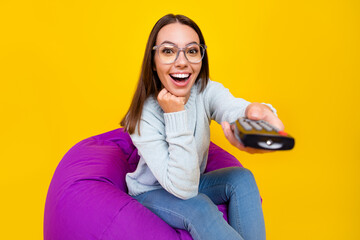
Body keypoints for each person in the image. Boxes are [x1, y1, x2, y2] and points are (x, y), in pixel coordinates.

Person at [121, 14, 284, 240]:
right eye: (168, 51)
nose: (182, 61)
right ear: (153, 61)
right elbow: (184, 189)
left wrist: (259, 115)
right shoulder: (142, 117)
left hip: (191, 181)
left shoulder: (205, 90)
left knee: (242, 178)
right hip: (152, 192)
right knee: (199, 208)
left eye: (192, 50)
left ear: (201, 57)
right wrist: (175, 114)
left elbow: (233, 108)